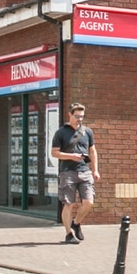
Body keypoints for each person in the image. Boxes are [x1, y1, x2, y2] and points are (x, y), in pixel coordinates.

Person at [50, 102, 99, 245]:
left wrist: (95, 170)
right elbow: (54, 153)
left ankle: (76, 223)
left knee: (88, 202)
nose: (80, 119)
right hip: (68, 172)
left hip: (85, 171)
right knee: (68, 204)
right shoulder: (61, 132)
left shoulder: (87, 131)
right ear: (70, 115)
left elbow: (92, 151)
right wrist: (71, 156)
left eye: (82, 116)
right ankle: (68, 234)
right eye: (77, 116)